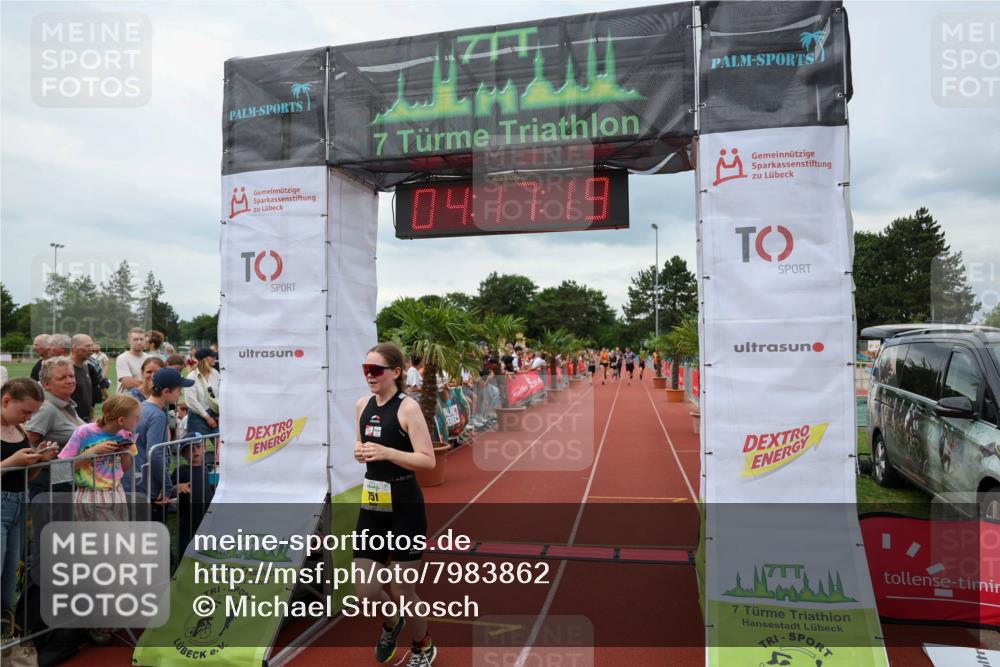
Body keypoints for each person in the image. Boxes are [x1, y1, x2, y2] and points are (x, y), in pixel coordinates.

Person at [353, 342, 437, 666]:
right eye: (366, 370)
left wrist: (387, 452)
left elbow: (428, 460)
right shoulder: (362, 405)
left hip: (405, 507)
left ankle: (422, 645)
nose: (369, 375)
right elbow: (361, 446)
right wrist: (359, 451)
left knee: (403, 591)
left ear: (396, 372)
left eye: (376, 370)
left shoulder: (408, 408)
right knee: (365, 590)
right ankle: (392, 622)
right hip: (373, 504)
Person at [0, 378, 53, 637]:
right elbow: (12, 465)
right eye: (25, 411)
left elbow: (26, 476)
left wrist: (40, 461)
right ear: (6, 400)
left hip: (20, 504)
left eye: (33, 413)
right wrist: (12, 461)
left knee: (11, 578)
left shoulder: (19, 429)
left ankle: (5, 635)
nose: (29, 418)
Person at [132, 368, 194, 522]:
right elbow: (155, 454)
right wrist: (167, 486)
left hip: (136, 480)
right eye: (178, 390)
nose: (180, 394)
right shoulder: (158, 415)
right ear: (166, 391)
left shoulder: (142, 407)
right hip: (149, 485)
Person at [23, 357, 84, 499]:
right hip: (48, 484)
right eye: (62, 378)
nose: (70, 381)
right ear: (46, 384)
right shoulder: (46, 408)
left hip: (62, 480)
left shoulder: (64, 404)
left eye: (71, 376)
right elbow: (26, 443)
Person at [171, 439, 212, 560]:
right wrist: (178, 487)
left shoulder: (206, 469)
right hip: (187, 517)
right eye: (190, 449)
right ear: (183, 454)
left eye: (199, 447)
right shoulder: (181, 470)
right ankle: (182, 565)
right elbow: (169, 490)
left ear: (204, 449)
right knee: (186, 546)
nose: (195, 451)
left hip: (206, 515)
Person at [184, 348, 220, 437]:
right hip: (197, 416)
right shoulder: (191, 377)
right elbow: (191, 401)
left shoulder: (215, 373)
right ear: (205, 358)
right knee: (198, 443)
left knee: (219, 442)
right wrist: (207, 417)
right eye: (212, 356)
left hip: (214, 414)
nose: (215, 358)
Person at [70, 334, 102, 421]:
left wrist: (90, 414)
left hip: (84, 420)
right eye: (88, 346)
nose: (92, 349)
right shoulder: (66, 368)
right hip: (71, 420)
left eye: (92, 346)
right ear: (75, 348)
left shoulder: (86, 367)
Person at [116, 328, 151, 393]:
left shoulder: (150, 358)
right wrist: (150, 387)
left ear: (145, 341)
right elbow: (128, 383)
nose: (139, 342)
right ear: (129, 341)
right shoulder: (122, 358)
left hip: (146, 398)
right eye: (135, 339)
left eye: (141, 339)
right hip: (126, 398)